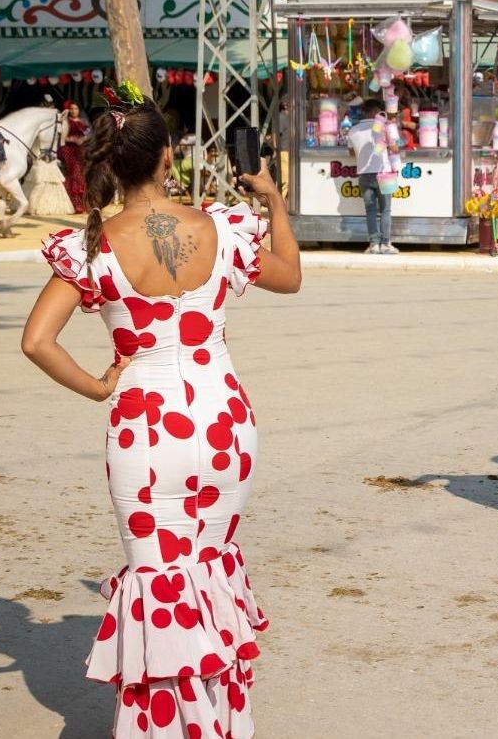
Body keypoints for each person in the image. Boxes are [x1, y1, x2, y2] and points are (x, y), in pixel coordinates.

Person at [20, 87, 302, 737]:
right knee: (210, 572)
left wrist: (97, 387)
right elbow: (290, 275)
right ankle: (218, 723)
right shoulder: (220, 228)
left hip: (147, 431)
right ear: (168, 156)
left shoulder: (94, 245)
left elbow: (37, 341)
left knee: (160, 587)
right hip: (225, 423)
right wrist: (275, 201)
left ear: (112, 163)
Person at [347, 98, 396, 254]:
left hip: (364, 174)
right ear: (377, 112)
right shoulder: (384, 128)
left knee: (371, 211)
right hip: (384, 172)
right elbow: (394, 148)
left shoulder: (353, 130)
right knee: (386, 210)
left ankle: (374, 244)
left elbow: (350, 153)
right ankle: (386, 244)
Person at [59, 101, 89, 213]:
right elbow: (62, 137)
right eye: (71, 109)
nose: (73, 111)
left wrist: (83, 139)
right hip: (69, 150)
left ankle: (82, 203)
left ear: (79, 110)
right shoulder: (66, 122)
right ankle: (74, 204)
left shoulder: (83, 122)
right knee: (74, 174)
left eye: (76, 109)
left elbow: (88, 134)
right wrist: (72, 139)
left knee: (80, 174)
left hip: (81, 150)